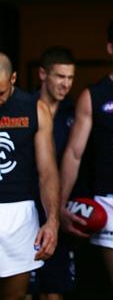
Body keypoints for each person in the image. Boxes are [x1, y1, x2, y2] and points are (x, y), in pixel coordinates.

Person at [59, 17, 113, 300]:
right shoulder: (93, 95)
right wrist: (58, 205)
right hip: (111, 202)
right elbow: (74, 154)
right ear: (111, 47)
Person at [0, 52, 59, 300]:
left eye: (0, 93)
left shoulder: (35, 109)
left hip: (19, 214)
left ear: (13, 78)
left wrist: (52, 220)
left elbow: (47, 172)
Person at [29, 47, 76, 300]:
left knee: (54, 291)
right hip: (26, 210)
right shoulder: (24, 109)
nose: (66, 84)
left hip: (60, 210)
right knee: (23, 288)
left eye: (70, 78)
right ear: (42, 74)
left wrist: (65, 208)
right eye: (60, 76)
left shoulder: (74, 112)